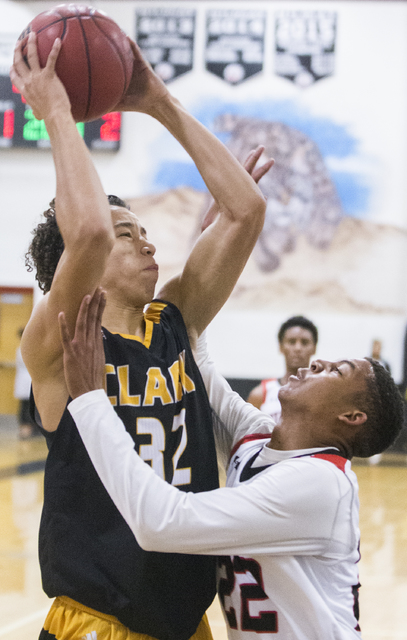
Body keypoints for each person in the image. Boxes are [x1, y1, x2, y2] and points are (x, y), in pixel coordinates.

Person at [10, 32, 273, 640]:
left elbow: (246, 211)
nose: (148, 242)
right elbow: (91, 235)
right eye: (130, 235)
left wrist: (158, 101)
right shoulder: (58, 339)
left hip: (186, 617)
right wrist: (55, 114)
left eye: (144, 231)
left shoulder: (176, 319)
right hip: (100, 619)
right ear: (74, 269)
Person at [59, 288, 404, 640]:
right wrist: (206, 256)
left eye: (336, 371)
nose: (317, 363)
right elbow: (201, 366)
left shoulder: (321, 484)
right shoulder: (261, 438)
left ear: (351, 416)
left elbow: (159, 523)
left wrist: (90, 400)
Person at [247, 315, 318, 421]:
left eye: (304, 342)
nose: (298, 348)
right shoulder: (261, 394)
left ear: (314, 348)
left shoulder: (321, 393)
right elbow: (248, 435)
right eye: (292, 342)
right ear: (281, 347)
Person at [14, 327, 39, 439]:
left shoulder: (22, 349)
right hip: (27, 381)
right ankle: (26, 428)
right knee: (26, 406)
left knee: (28, 406)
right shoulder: (25, 349)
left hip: (27, 381)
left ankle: (27, 428)